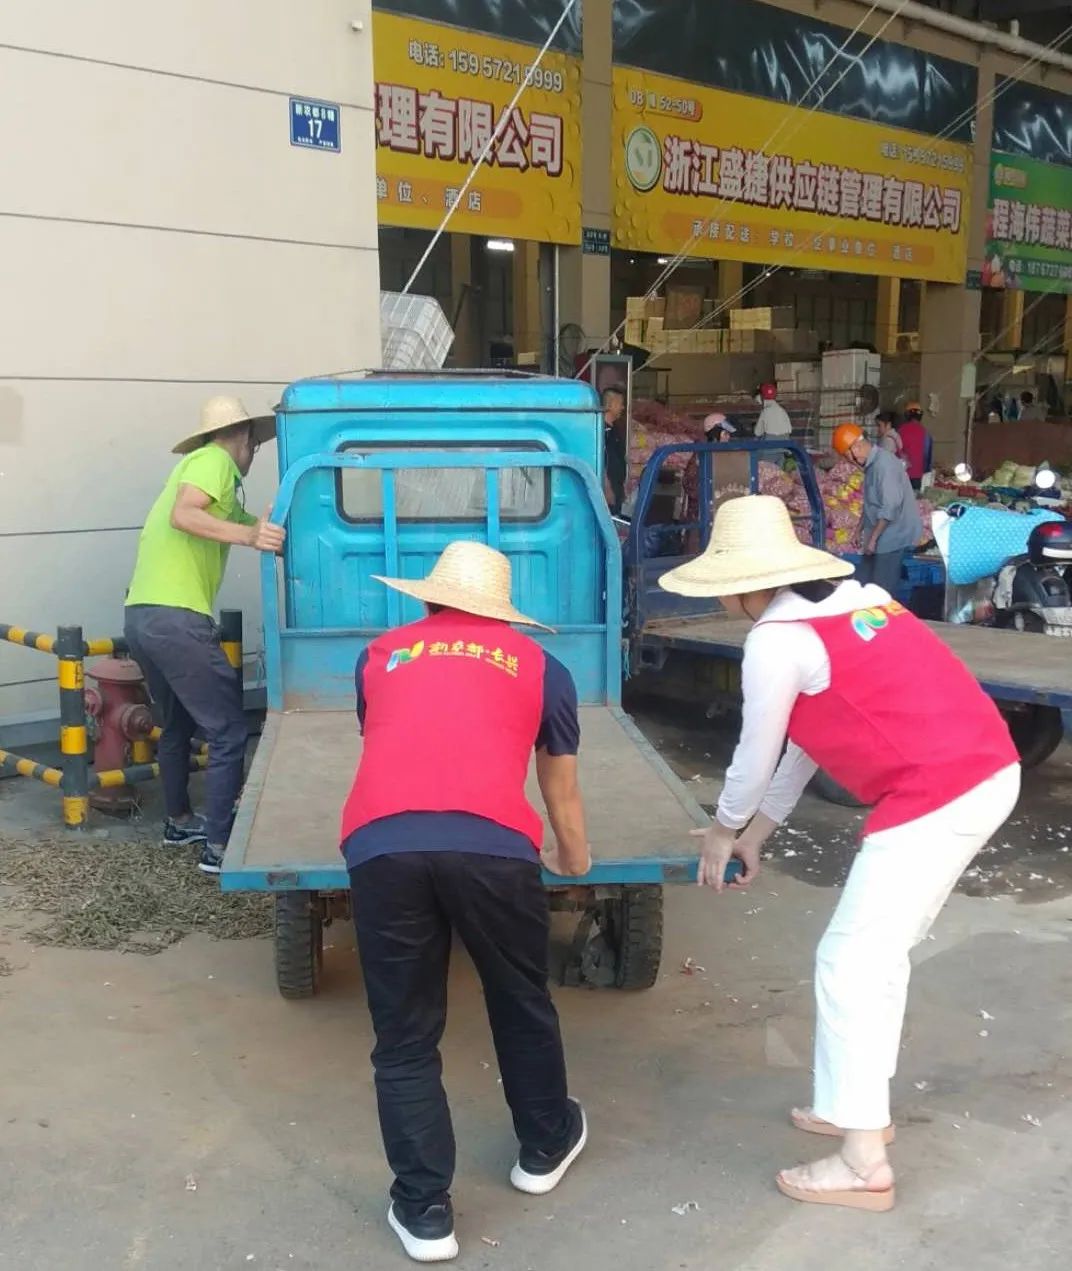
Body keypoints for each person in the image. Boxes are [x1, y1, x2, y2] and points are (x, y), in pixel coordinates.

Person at [659, 495, 1019, 1212]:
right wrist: (757, 833)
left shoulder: (776, 640)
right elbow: (808, 738)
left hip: (938, 791)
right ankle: (856, 1110)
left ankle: (862, 1163)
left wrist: (725, 828)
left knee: (851, 962)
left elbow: (755, 755)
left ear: (744, 583)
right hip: (983, 771)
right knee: (873, 958)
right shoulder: (861, 600)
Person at [340, 541, 591, 1263]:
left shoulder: (378, 655)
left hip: (382, 842)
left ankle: (425, 1212)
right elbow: (560, 788)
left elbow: (390, 741)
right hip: (493, 846)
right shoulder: (544, 667)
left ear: (427, 599)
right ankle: (544, 1146)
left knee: (405, 1034)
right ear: (503, 612)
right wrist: (573, 860)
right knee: (519, 998)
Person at [124, 396, 283, 874]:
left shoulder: (219, 487)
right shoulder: (213, 461)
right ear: (245, 438)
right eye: (254, 446)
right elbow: (185, 515)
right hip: (178, 620)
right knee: (229, 729)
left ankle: (178, 822)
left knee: (177, 725)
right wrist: (251, 537)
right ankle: (219, 846)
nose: (253, 456)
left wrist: (265, 531)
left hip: (142, 615)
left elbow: (248, 525)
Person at [832, 421, 921, 597]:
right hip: (879, 534)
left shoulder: (884, 465)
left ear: (856, 448)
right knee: (864, 583)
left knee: (881, 590)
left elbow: (890, 507)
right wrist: (858, 531)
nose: (849, 461)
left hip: (893, 536)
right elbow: (871, 504)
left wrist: (873, 539)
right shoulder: (871, 466)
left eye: (847, 456)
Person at [601, 384, 628, 514]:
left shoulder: (614, 429)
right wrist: (607, 488)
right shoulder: (602, 431)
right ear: (610, 405)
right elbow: (602, 461)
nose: (623, 407)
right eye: (620, 404)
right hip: (608, 490)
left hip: (616, 487)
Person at [896, 403, 932, 491]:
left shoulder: (901, 430)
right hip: (919, 475)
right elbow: (928, 456)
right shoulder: (925, 432)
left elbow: (897, 452)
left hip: (902, 474)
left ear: (907, 415)